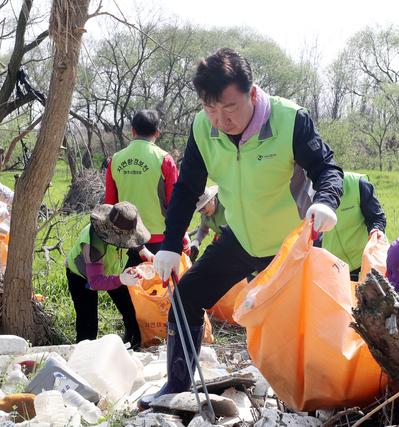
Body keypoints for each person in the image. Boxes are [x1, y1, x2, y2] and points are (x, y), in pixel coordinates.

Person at [140, 48, 344, 408]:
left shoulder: (289, 119)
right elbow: (187, 188)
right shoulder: (204, 128)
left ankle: (310, 396)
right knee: (187, 296)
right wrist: (170, 245)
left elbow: (327, 169)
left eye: (229, 108)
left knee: (296, 324)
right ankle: (176, 386)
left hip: (291, 243)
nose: (220, 119)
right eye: (210, 108)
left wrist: (326, 201)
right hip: (242, 238)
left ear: (252, 94)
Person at [66, 202, 151, 348]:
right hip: (82, 276)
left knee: (131, 310)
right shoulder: (94, 245)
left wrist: (144, 251)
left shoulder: (121, 223)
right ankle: (85, 355)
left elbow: (131, 234)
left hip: (113, 270)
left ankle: (133, 344)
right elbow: (95, 282)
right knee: (88, 322)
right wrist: (121, 279)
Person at [104, 109, 178, 266]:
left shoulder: (115, 160)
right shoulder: (165, 159)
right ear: (157, 132)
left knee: (130, 287)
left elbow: (110, 203)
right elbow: (175, 203)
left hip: (126, 237)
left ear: (132, 131)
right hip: (158, 236)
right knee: (156, 288)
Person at [321, 172, 386, 281]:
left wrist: (376, 230)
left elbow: (376, 218)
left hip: (366, 265)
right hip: (333, 270)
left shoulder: (357, 183)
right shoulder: (304, 193)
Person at [189, 185, 226, 262]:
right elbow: (203, 229)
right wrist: (196, 241)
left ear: (212, 199)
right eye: (199, 210)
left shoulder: (226, 206)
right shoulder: (205, 214)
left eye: (203, 208)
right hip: (221, 242)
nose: (202, 212)